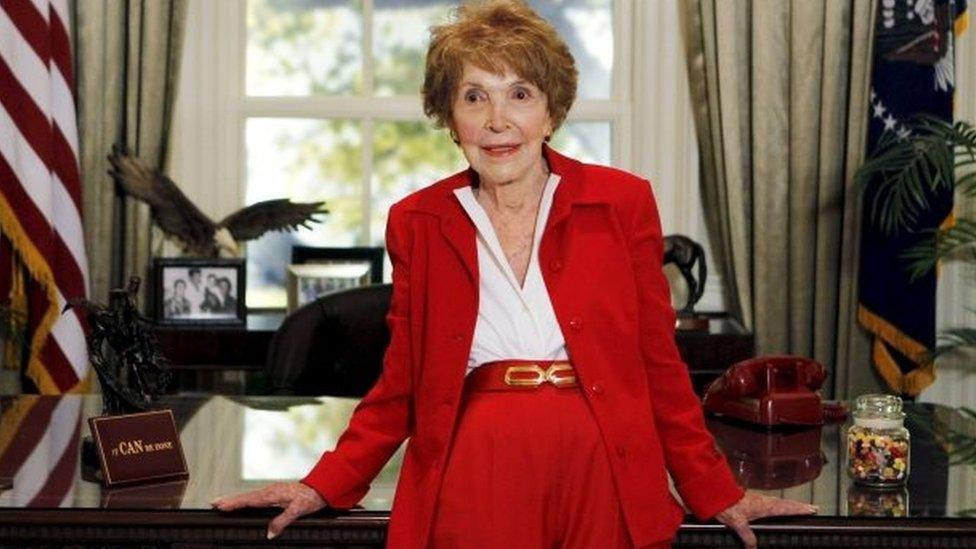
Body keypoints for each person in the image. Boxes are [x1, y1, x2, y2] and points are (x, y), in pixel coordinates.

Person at [211, 2, 817, 548]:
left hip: (601, 463)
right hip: (477, 468)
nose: (498, 120)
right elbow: (401, 386)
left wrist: (716, 491)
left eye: (520, 94)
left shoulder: (622, 203)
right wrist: (322, 485)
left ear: (551, 110)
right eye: (474, 97)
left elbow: (658, 365)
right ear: (451, 117)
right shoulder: (417, 222)